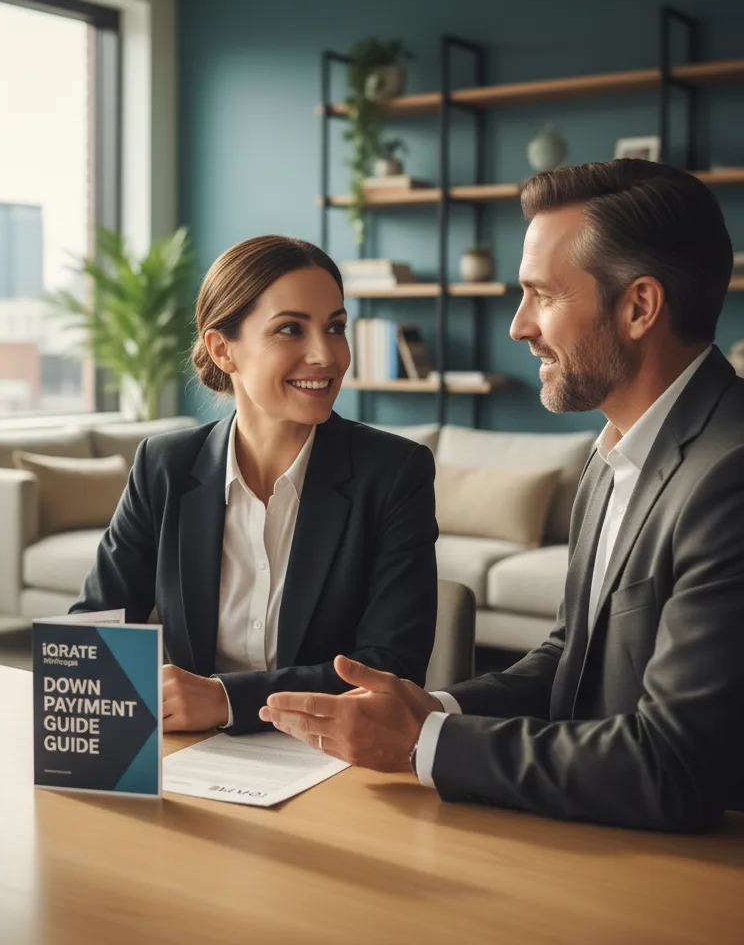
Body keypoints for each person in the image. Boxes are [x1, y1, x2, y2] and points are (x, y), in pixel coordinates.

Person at [262, 160, 744, 832]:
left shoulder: (729, 475)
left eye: (541, 295)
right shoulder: (616, 454)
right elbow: (570, 658)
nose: (519, 326)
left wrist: (421, 745)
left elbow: (673, 766)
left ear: (639, 307)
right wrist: (434, 710)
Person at [71, 234, 438, 735]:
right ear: (223, 350)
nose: (326, 356)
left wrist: (226, 700)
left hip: (332, 760)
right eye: (291, 329)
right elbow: (94, 631)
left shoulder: (395, 473)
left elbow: (389, 671)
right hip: (187, 756)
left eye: (336, 328)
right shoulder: (164, 466)